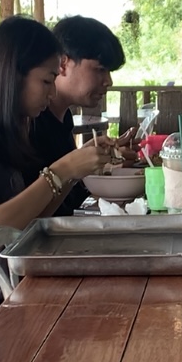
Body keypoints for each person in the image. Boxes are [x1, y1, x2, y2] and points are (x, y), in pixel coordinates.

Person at [0, 16, 114, 348]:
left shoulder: (8, 129)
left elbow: (31, 223)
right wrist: (61, 170)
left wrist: (74, 172)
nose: (52, 90)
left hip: (14, 287)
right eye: (46, 80)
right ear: (13, 75)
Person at [25, 15, 130, 214]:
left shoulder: (63, 118)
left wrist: (104, 164)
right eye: (100, 69)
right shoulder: (30, 122)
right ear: (62, 64)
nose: (108, 81)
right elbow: (33, 215)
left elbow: (66, 196)